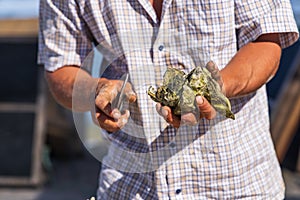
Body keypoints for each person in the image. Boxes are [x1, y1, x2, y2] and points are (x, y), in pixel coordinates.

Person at [38, 0, 299, 199]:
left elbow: (266, 41)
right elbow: (61, 67)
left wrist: (216, 88)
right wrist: (97, 90)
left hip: (237, 182)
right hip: (132, 184)